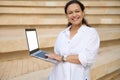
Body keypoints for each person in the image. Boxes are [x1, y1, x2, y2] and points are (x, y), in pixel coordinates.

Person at [46, 0, 100, 80]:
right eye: (70, 13)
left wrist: (63, 58)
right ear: (67, 16)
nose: (74, 15)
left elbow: (88, 58)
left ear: (83, 13)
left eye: (77, 11)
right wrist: (52, 57)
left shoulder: (91, 33)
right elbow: (58, 56)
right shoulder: (62, 34)